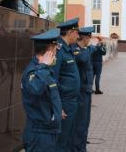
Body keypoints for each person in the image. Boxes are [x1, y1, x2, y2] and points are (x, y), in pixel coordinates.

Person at [21, 29, 62, 152]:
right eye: (56, 48)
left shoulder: (44, 69)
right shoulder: (34, 71)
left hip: (48, 130)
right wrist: (43, 67)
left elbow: (48, 95)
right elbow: (36, 89)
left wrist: (58, 109)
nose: (57, 52)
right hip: (39, 133)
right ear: (50, 49)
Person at [52, 18, 81, 152]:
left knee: (69, 137)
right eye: (77, 32)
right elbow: (53, 79)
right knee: (61, 140)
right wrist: (58, 107)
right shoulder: (58, 50)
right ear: (70, 32)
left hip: (72, 101)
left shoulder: (68, 49)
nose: (78, 36)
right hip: (64, 102)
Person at [71, 27, 96, 152]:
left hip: (86, 89)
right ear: (85, 38)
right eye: (89, 38)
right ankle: (78, 148)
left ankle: (82, 146)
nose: (90, 41)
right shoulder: (76, 49)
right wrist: (88, 48)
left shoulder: (84, 49)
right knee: (80, 122)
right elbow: (83, 59)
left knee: (85, 121)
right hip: (80, 91)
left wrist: (88, 48)